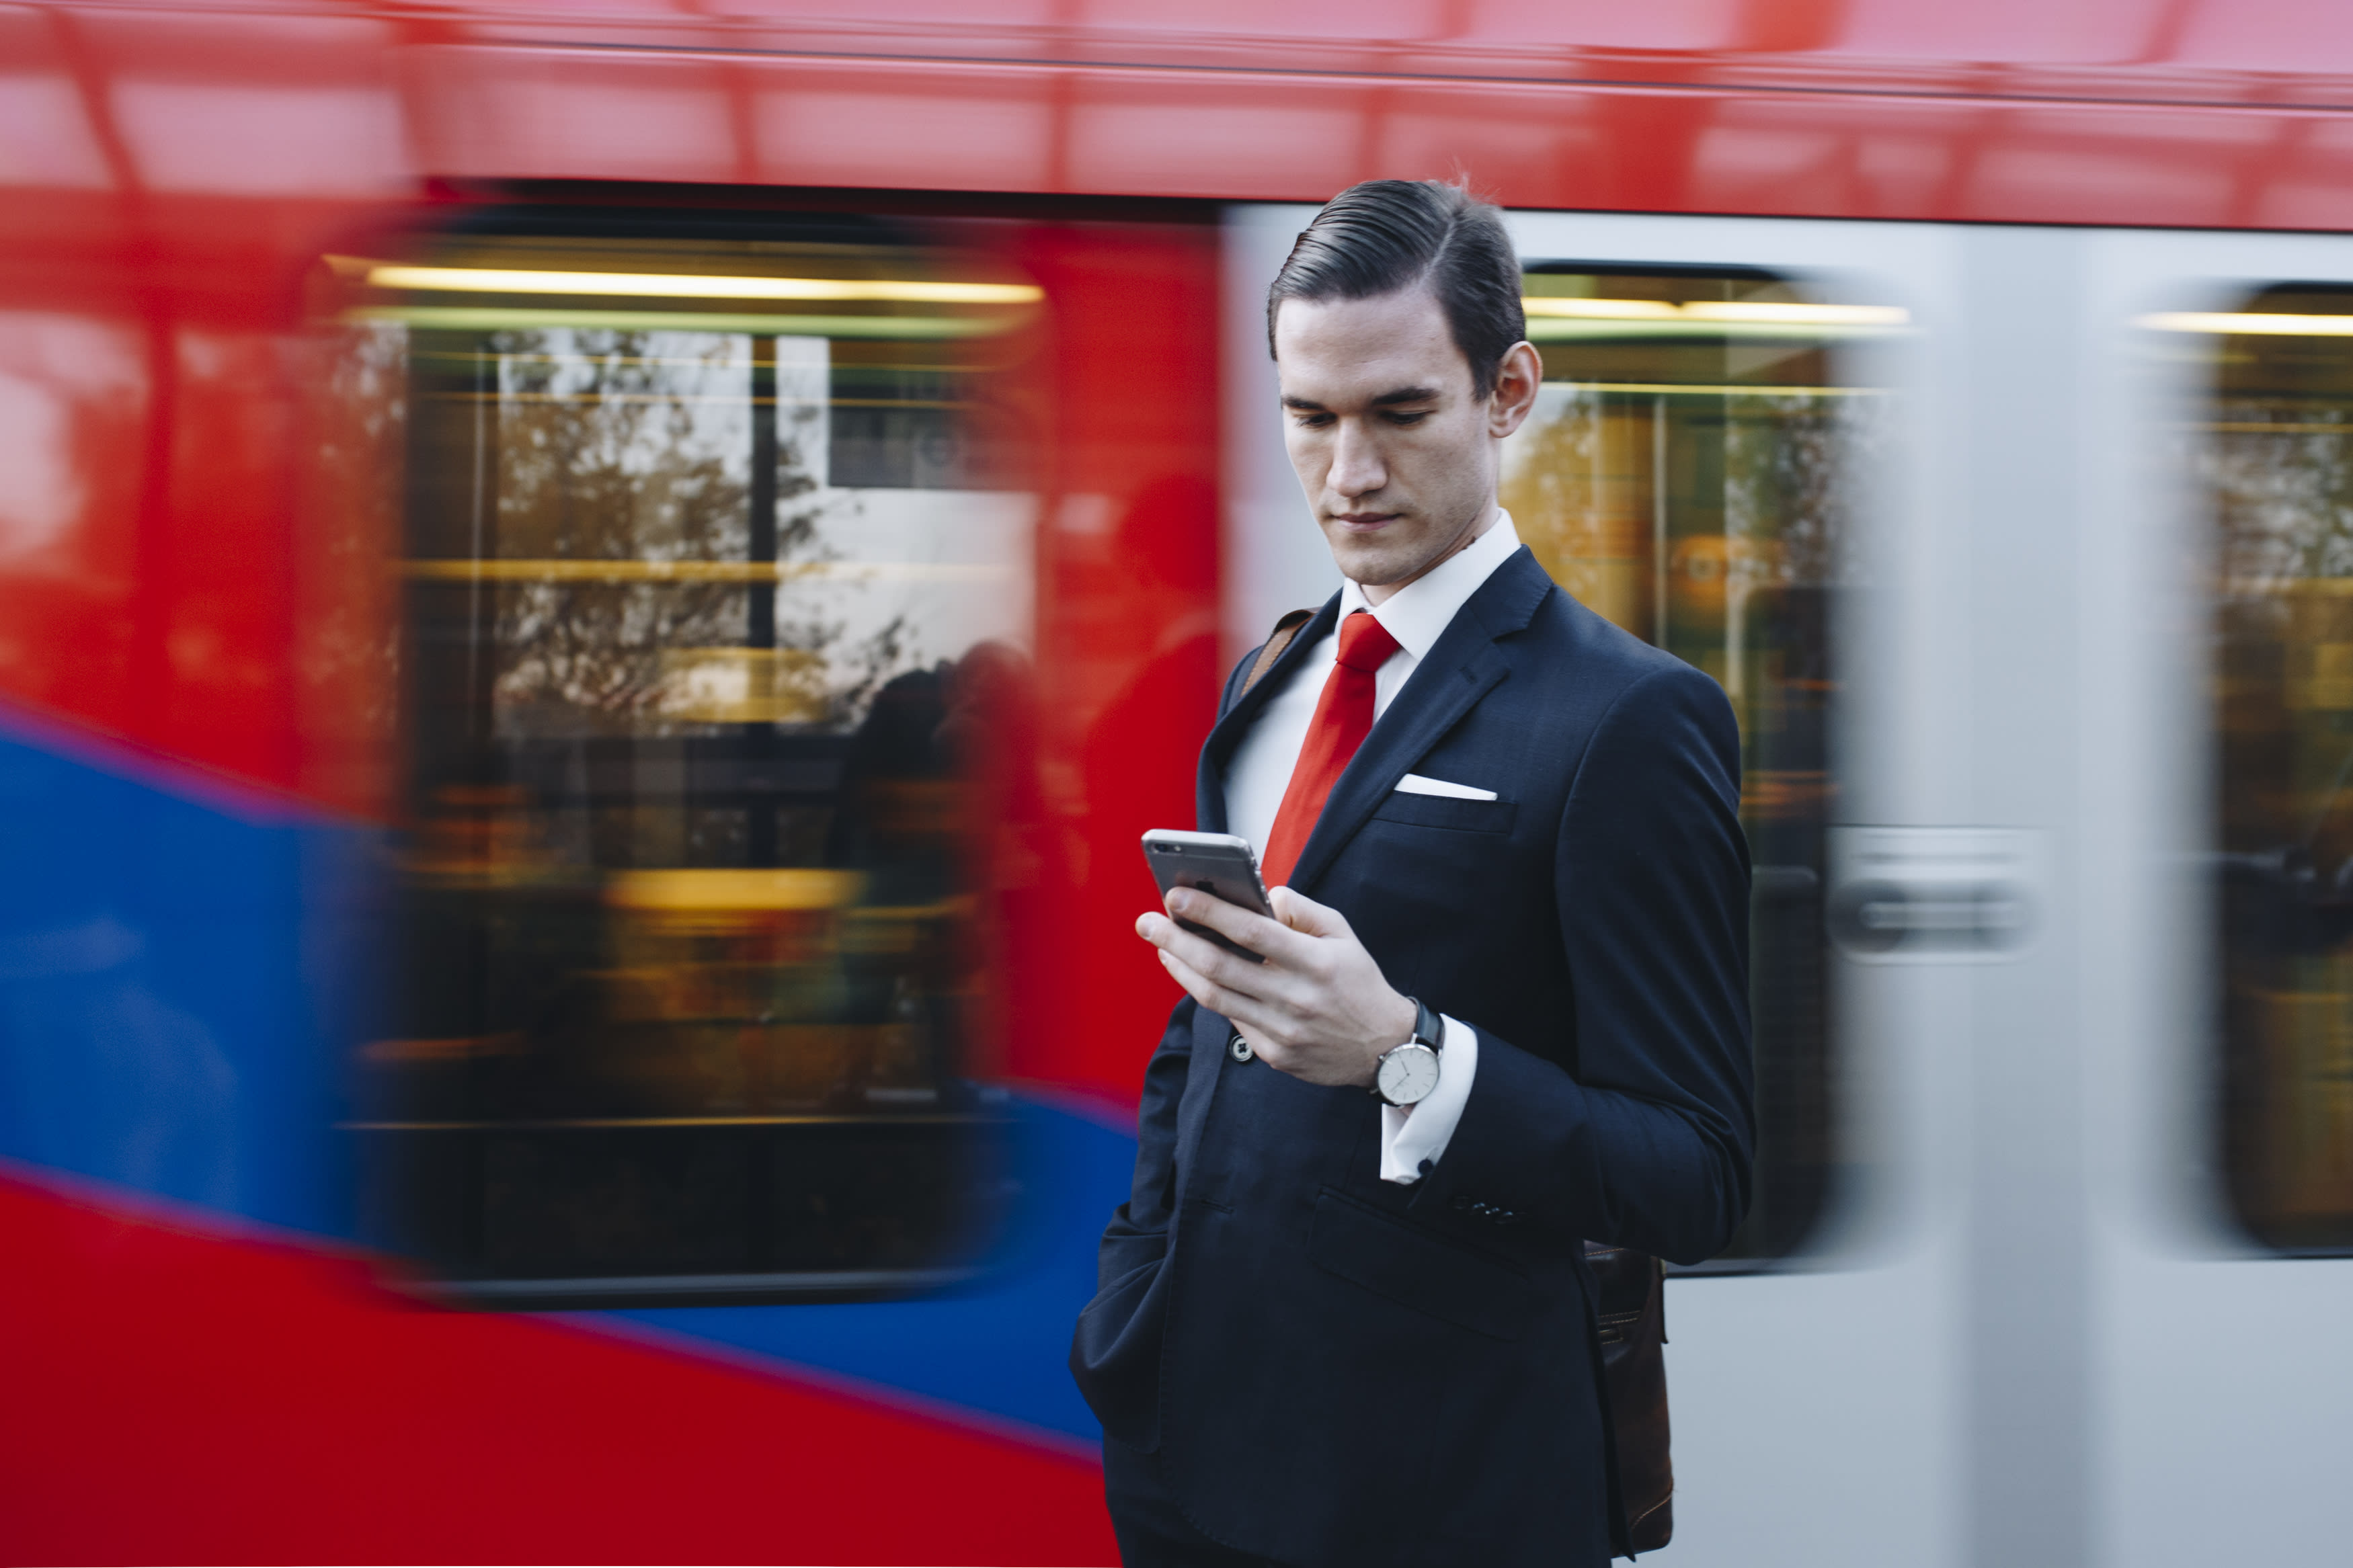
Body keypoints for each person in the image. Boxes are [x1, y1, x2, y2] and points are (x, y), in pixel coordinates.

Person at [1069, 179, 1755, 1568]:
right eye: (1308, 418)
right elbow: (1202, 1031)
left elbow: (1698, 1173)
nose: (1348, 475)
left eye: (1398, 413)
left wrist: (1403, 1056)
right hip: (1183, 1451)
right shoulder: (1271, 676)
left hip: (1441, 1484)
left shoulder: (1628, 718)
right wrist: (1130, 1298)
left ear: (1506, 393)